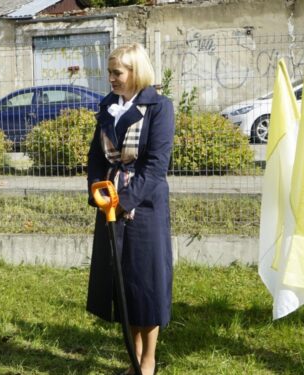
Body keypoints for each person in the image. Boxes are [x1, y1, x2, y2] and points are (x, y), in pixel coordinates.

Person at [85, 43, 175, 375]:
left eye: (116, 73)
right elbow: (96, 156)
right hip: (109, 203)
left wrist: (124, 203)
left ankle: (148, 360)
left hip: (144, 208)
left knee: (145, 284)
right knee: (123, 284)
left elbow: (155, 167)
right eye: (110, 72)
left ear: (135, 72)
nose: (110, 78)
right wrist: (98, 192)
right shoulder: (108, 105)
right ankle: (133, 358)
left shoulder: (160, 107)